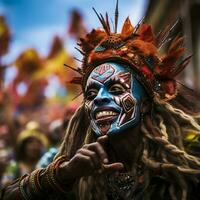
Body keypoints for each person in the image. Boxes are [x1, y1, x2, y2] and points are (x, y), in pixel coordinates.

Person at [1, 4, 200, 200]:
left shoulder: (188, 156)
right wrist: (64, 174)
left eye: (115, 89)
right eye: (91, 94)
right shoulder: (76, 168)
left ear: (145, 104)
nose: (99, 98)